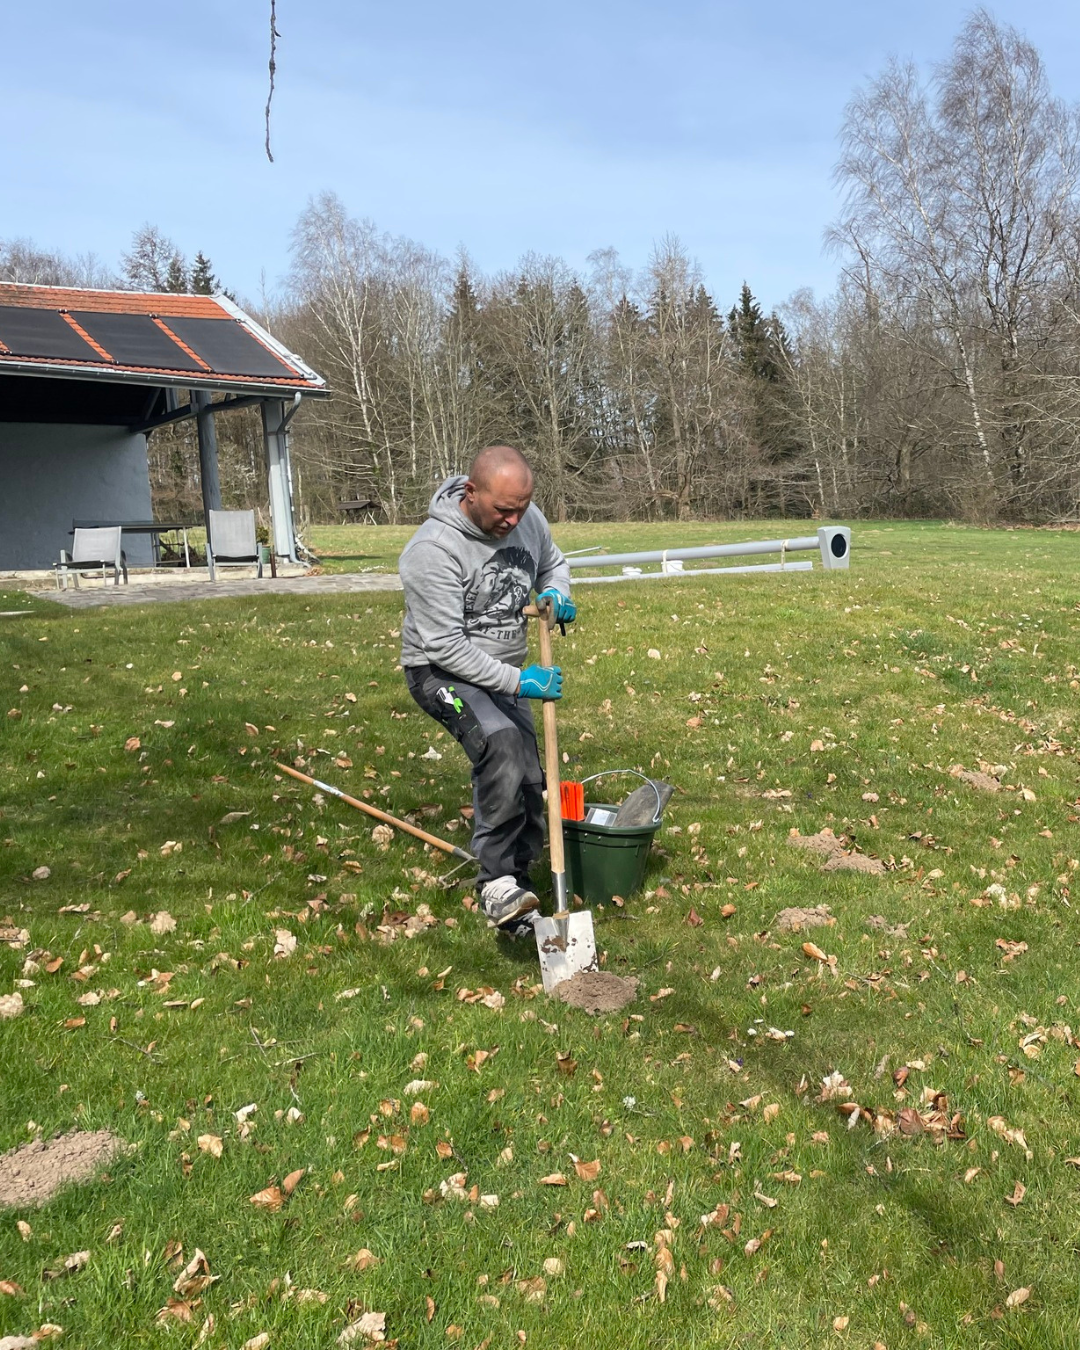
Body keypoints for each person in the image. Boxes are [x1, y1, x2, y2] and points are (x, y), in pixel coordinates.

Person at [399, 446, 576, 936]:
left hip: (504, 672)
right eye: (503, 510)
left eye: (521, 507)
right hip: (440, 673)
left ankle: (519, 893)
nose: (513, 519)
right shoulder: (431, 551)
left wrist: (557, 592)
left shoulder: (526, 516)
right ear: (471, 493)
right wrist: (522, 683)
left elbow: (553, 563)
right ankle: (495, 882)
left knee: (529, 775)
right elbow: (447, 648)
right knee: (500, 747)